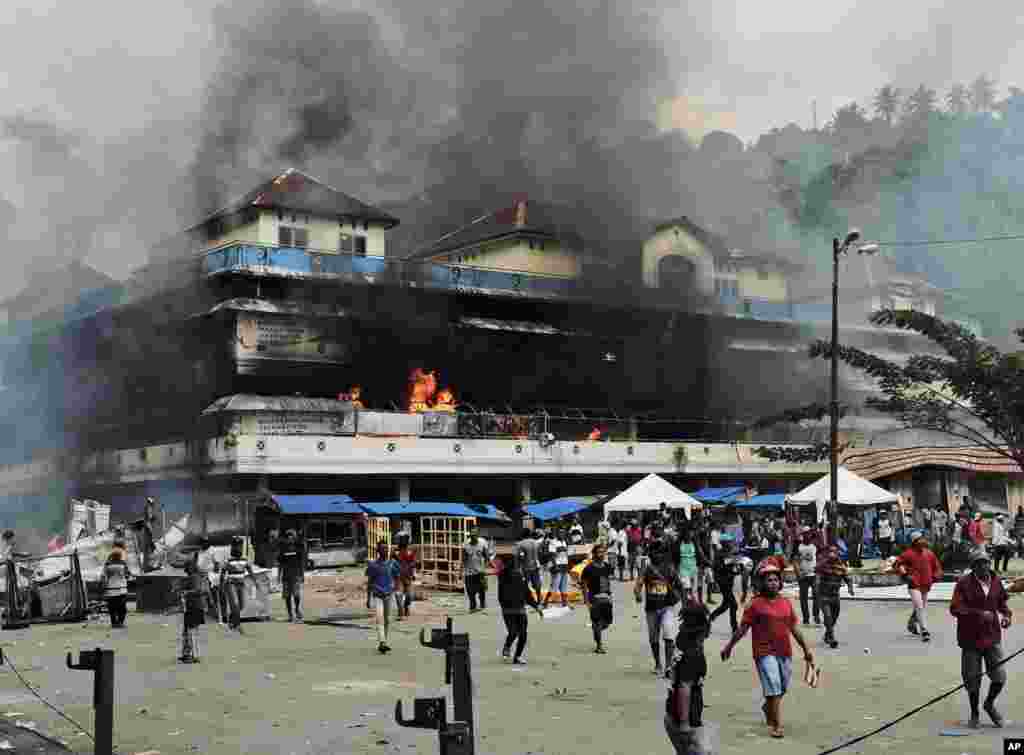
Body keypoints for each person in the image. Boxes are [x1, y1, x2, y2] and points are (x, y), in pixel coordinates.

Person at [720, 563, 814, 740]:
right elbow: (742, 629)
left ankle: (768, 707)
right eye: (769, 580)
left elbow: (794, 628)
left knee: (782, 686)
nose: (773, 583)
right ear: (762, 583)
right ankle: (776, 725)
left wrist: (806, 649)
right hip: (764, 652)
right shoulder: (755, 605)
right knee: (775, 686)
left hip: (784, 651)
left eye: (776, 580)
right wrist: (729, 646)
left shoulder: (785, 603)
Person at [950, 548, 1012, 729]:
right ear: (973, 567)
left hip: (992, 637)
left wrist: (1007, 615)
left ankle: (989, 704)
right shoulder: (963, 583)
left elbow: (1002, 603)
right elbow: (955, 608)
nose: (984, 566)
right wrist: (978, 614)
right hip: (970, 638)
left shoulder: (995, 581)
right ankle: (974, 712)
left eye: (986, 562)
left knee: (999, 676)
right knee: (972, 678)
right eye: (979, 563)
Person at [664, 589, 712, 754]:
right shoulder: (693, 655)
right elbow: (685, 688)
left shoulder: (681, 641)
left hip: (672, 714)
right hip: (684, 720)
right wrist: (685, 723)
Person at [635, 541, 685, 675]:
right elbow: (639, 583)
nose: (657, 555)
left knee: (669, 635)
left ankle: (668, 666)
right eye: (654, 552)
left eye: (660, 552)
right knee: (654, 638)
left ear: (663, 554)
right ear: (650, 553)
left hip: (667, 607)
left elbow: (680, 586)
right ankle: (658, 663)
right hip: (651, 609)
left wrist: (685, 605)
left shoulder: (669, 568)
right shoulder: (646, 568)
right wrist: (638, 593)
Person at [894, 530, 944, 642]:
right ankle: (924, 630)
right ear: (914, 542)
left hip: (926, 585)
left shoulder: (929, 553)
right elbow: (898, 564)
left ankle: (912, 623)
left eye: (923, 538)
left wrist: (936, 576)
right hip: (914, 585)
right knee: (920, 607)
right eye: (920, 539)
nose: (923, 541)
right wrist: (906, 575)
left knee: (920, 607)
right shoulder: (908, 553)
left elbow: (937, 567)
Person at [497, 554, 544, 664]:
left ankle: (517, 657)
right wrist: (504, 606)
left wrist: (536, 606)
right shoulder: (504, 576)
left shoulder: (520, 576)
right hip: (508, 610)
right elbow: (500, 596)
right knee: (513, 632)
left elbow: (527, 593)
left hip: (520, 610)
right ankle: (507, 646)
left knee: (523, 635)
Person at [816, 544, 854, 648]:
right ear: (827, 553)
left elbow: (847, 578)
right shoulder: (822, 565)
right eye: (830, 551)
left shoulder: (841, 566)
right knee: (828, 616)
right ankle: (832, 638)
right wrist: (817, 585)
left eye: (834, 552)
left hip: (835, 596)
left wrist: (850, 588)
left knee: (834, 617)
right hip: (824, 595)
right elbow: (818, 576)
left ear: (837, 554)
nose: (832, 554)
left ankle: (827, 634)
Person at [366, 541, 401, 654]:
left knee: (387, 620)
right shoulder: (373, 565)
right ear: (378, 551)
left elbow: (397, 577)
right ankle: (382, 642)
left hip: (389, 595)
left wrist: (396, 590)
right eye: (382, 549)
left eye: (386, 548)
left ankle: (384, 641)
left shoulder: (393, 563)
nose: (385, 551)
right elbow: (370, 582)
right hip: (377, 595)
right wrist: (368, 598)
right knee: (379, 618)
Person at [580, 543, 615, 654]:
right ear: (594, 554)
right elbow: (584, 586)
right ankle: (599, 645)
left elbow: (608, 581)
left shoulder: (607, 567)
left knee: (608, 622)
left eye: (603, 552)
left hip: (606, 598)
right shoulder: (588, 569)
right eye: (599, 552)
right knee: (596, 621)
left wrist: (610, 596)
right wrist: (586, 601)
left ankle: (597, 630)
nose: (601, 554)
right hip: (594, 599)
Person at [709, 540, 748, 634]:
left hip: (729, 582)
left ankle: (709, 619)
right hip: (723, 583)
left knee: (725, 605)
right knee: (733, 605)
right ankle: (734, 628)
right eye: (730, 543)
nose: (732, 545)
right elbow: (719, 567)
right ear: (725, 545)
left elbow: (738, 567)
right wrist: (733, 563)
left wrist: (739, 568)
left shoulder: (730, 554)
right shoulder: (720, 554)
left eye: (732, 543)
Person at [179, 557, 210, 664]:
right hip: (195, 607)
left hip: (194, 607)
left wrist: (186, 592)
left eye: (186, 567)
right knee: (188, 631)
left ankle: (191, 655)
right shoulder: (197, 577)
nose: (185, 570)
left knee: (190, 631)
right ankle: (188, 654)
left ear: (191, 567)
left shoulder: (194, 577)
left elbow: (198, 590)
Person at [222, 537, 255, 633]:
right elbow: (223, 572)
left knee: (241, 606)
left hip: (241, 584)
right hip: (231, 584)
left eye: (240, 546)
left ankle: (232, 621)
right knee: (235, 605)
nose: (238, 548)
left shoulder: (245, 559)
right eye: (236, 546)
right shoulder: (228, 560)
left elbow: (250, 570)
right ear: (232, 547)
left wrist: (255, 582)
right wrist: (221, 585)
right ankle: (238, 625)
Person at [792, 527, 820, 626]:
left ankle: (816, 615)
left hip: (814, 575)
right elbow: (794, 561)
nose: (807, 535)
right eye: (805, 533)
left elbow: (820, 557)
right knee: (803, 598)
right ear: (802, 534)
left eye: (808, 533)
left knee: (817, 594)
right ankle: (806, 618)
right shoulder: (798, 546)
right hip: (803, 576)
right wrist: (798, 573)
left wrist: (819, 570)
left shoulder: (815, 544)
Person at [463, 525, 493, 613]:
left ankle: (482, 603)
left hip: (480, 571)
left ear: (478, 535)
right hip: (469, 572)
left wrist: (486, 567)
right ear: (470, 535)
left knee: (482, 590)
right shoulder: (466, 544)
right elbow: (464, 558)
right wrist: (461, 569)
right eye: (472, 535)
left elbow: (486, 556)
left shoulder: (483, 542)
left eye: (475, 535)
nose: (473, 537)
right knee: (470, 590)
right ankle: (473, 605)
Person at [277, 529, 306, 622]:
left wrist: (302, 575)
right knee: (287, 596)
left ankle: (297, 609)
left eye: (292, 536)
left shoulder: (298, 548)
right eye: (288, 536)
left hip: (296, 575)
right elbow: (280, 564)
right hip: (286, 576)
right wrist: (279, 576)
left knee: (296, 595)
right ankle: (290, 614)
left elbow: (301, 563)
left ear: (294, 537)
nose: (290, 537)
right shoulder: (283, 549)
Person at [101, 549, 130, 628]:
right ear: (120, 556)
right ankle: (120, 622)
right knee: (122, 608)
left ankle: (114, 623)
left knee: (112, 608)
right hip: (122, 589)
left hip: (111, 589)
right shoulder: (123, 564)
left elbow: (103, 576)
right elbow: (127, 575)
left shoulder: (107, 564)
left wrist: (103, 587)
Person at [543, 530, 571, 609]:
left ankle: (564, 603)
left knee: (564, 586)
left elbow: (565, 555)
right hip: (557, 566)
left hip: (564, 566)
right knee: (554, 585)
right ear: (557, 534)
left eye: (563, 533)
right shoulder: (553, 542)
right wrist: (555, 566)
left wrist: (567, 565)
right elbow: (552, 555)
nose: (562, 534)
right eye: (560, 533)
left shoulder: (564, 542)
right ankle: (546, 602)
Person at [395, 535, 418, 619]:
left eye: (405, 540)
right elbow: (391, 564)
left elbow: (414, 563)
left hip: (408, 576)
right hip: (398, 577)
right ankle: (400, 611)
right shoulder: (395, 552)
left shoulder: (410, 552)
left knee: (409, 596)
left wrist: (414, 573)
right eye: (402, 540)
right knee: (398, 594)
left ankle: (406, 606)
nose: (404, 542)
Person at [516, 529, 543, 600]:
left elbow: (521, 556)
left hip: (526, 567)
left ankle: (526, 599)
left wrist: (518, 566)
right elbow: (540, 553)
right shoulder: (536, 543)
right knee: (537, 583)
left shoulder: (521, 544)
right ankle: (539, 597)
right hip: (536, 566)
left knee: (525, 583)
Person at [677, 527, 700, 597]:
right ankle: (686, 604)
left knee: (694, 590)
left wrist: (699, 565)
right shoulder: (679, 544)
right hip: (683, 569)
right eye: (688, 534)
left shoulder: (695, 543)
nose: (690, 535)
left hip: (693, 568)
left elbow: (699, 554)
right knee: (686, 589)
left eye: (691, 533)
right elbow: (675, 556)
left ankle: (693, 604)